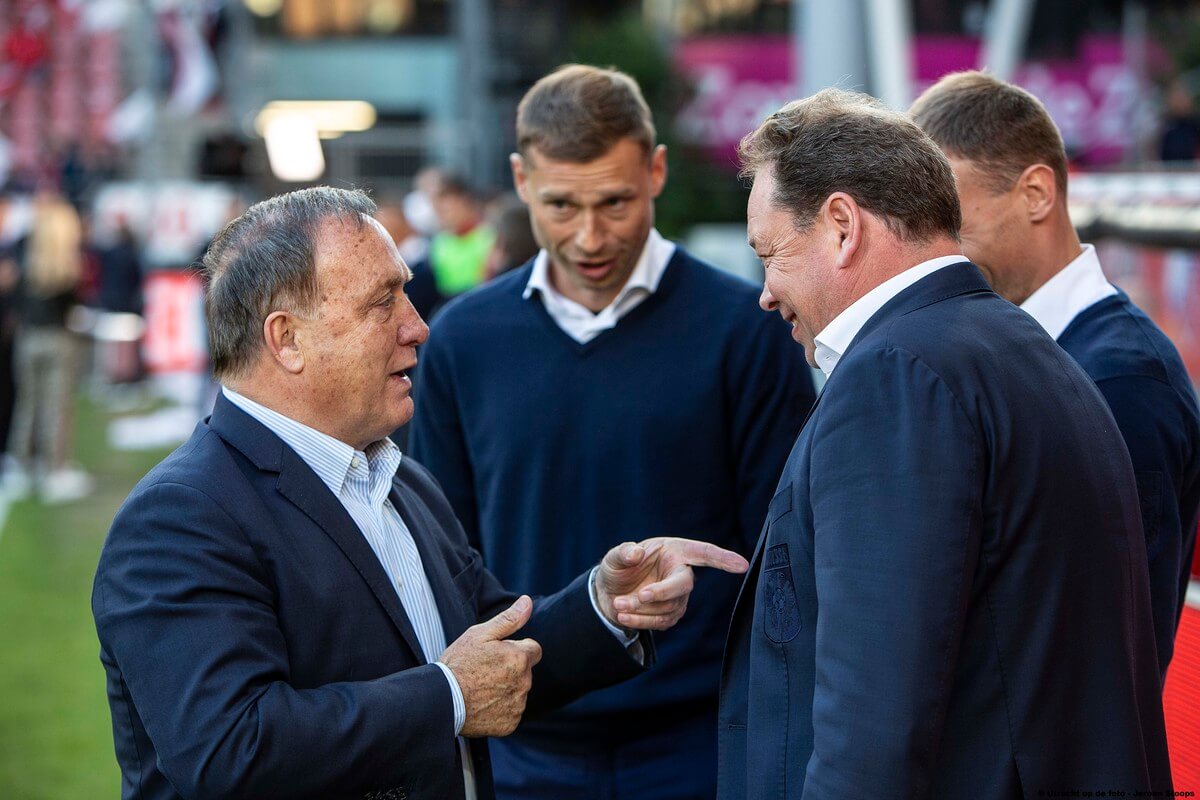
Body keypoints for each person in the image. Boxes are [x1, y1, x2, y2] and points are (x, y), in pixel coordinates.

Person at [91, 187, 749, 800]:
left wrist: (605, 604)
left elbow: (492, 651)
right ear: (287, 339)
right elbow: (227, 749)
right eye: (384, 302)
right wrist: (448, 697)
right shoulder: (180, 519)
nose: (418, 326)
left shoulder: (399, 477)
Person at [720, 88, 1171, 799]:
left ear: (842, 225)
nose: (766, 293)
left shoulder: (895, 378)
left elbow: (873, 723)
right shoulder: (1018, 345)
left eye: (769, 253)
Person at [409, 64, 814, 800]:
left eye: (616, 202)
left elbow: (783, 555)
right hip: (519, 742)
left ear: (656, 171)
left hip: (701, 741)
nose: (590, 235)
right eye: (562, 204)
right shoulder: (460, 342)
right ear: (521, 181)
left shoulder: (745, 331)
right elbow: (442, 556)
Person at [910, 71, 1200, 683]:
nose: (933, 251)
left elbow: (1116, 650)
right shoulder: (1022, 354)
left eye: (950, 220)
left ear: (1037, 193)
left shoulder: (1125, 381)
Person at [6, 188, 91, 502]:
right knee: (55, 406)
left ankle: (22, 463)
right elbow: (73, 307)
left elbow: (15, 297)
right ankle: (53, 470)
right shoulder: (65, 263)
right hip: (57, 337)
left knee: (28, 402)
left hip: (28, 336)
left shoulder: (25, 253)